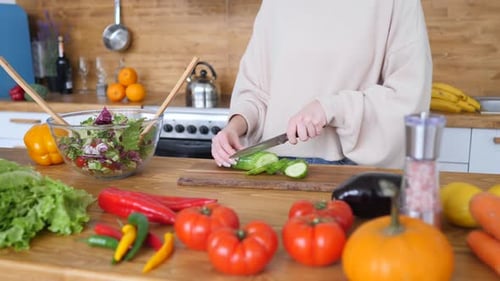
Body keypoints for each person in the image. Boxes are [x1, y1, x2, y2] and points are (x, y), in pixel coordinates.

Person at [211, 0, 432, 169]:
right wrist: (235, 127)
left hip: (348, 171)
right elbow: (256, 89)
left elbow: (408, 97)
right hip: (272, 165)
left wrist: (331, 108)